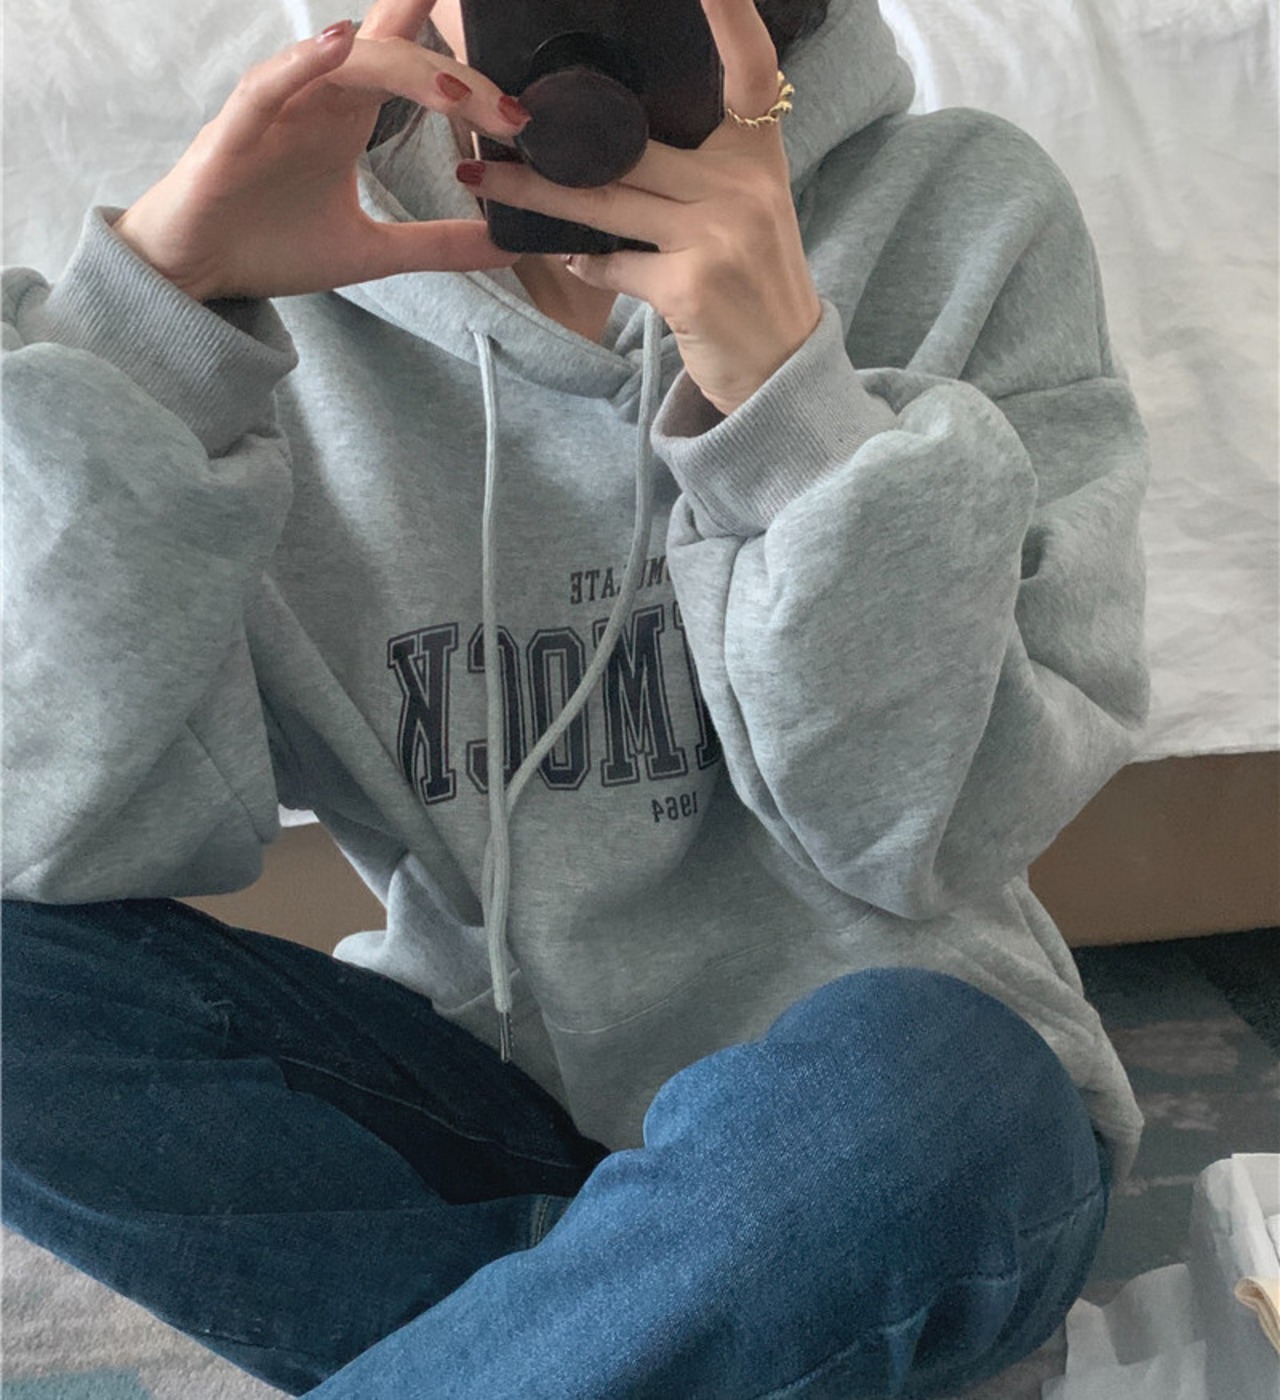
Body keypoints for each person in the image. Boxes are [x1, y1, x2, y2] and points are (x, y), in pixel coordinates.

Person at [1, 0, 1150, 1393]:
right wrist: (152, 331)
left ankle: (618, 1324)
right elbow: (36, 828)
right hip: (476, 1115)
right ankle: (671, 1327)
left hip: (892, 1114)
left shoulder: (966, 210)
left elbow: (927, 835)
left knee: (927, 1087)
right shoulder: (289, 248)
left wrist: (792, 405)